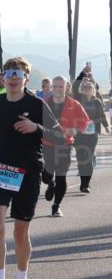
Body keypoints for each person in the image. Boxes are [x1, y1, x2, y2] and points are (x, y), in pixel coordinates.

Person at [0, 57, 62, 279]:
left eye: (18, 74)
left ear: (26, 79)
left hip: (28, 170)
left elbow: (60, 136)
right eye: (9, 73)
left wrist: (35, 127)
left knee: (20, 232)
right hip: (2, 169)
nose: (13, 78)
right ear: (3, 78)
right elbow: (1, 129)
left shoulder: (36, 104)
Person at [41, 76, 91, 217]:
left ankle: (56, 206)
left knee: (61, 176)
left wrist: (75, 130)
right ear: (52, 87)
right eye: (55, 86)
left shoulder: (74, 104)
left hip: (65, 144)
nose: (58, 89)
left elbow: (85, 122)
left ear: (66, 88)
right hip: (47, 143)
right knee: (46, 176)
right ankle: (50, 183)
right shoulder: (44, 103)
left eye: (61, 86)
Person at [75, 79, 110, 193]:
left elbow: (102, 115)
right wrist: (82, 75)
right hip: (79, 134)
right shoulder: (78, 100)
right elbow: (74, 86)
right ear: (82, 89)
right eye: (85, 87)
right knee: (81, 158)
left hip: (92, 134)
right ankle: (82, 181)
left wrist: (106, 126)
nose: (87, 89)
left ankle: (86, 184)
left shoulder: (97, 102)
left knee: (89, 158)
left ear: (93, 90)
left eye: (89, 87)